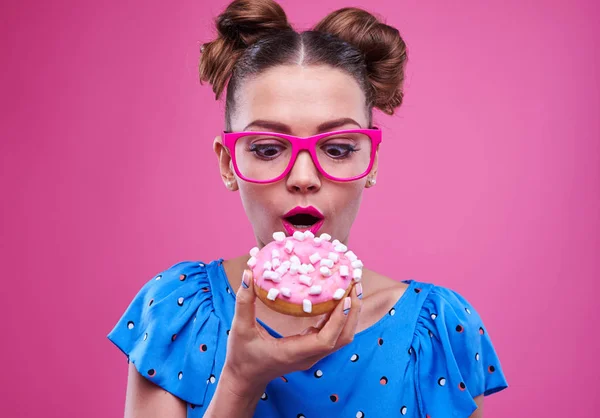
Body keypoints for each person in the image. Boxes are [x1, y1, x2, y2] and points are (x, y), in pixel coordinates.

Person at [107, 0, 508, 416]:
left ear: (370, 163)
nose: (303, 176)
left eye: (336, 149)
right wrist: (240, 381)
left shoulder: (438, 333)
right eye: (266, 149)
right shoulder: (178, 314)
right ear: (229, 165)